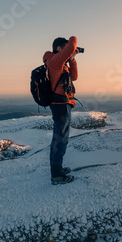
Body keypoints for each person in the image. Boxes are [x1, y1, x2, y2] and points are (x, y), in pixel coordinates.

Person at [42, 36, 79, 185]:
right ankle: (56, 175)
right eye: (64, 49)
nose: (68, 51)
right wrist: (71, 48)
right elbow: (72, 43)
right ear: (59, 49)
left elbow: (74, 77)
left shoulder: (60, 63)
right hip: (60, 104)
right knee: (60, 139)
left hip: (63, 104)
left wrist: (72, 59)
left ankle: (57, 169)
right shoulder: (55, 60)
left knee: (59, 138)